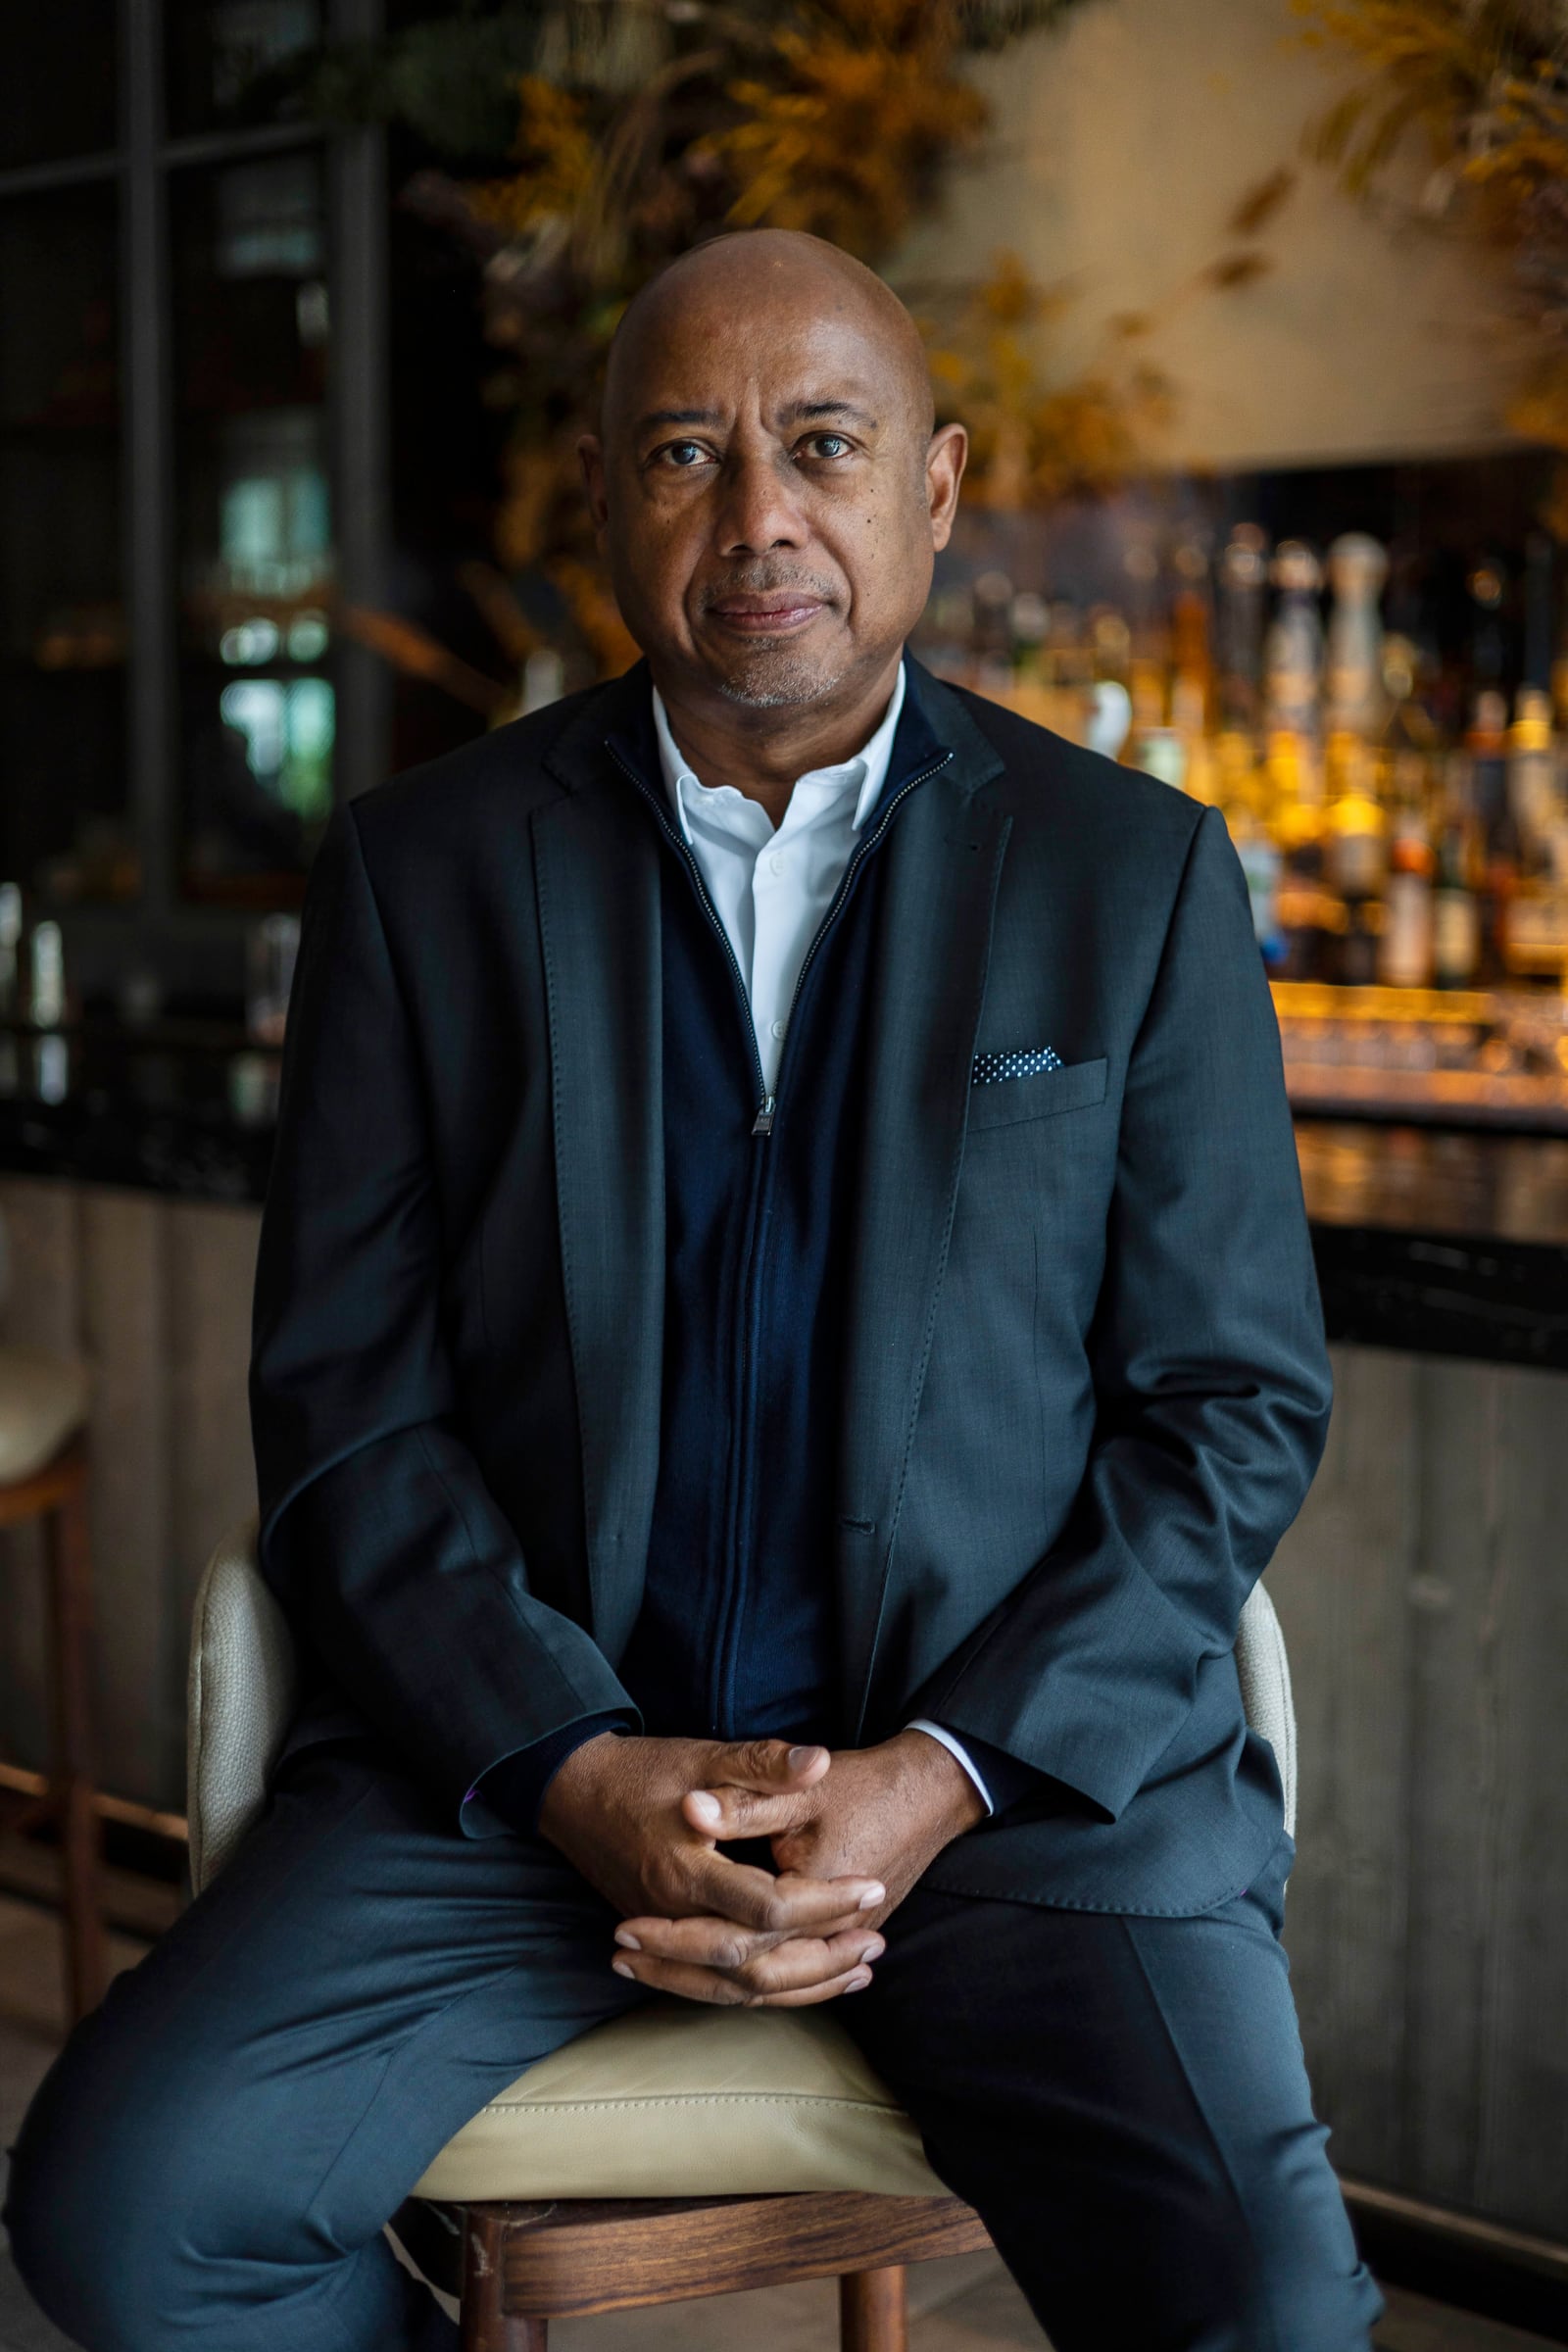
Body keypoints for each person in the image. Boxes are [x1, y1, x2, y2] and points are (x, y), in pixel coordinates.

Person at [6, 229, 1382, 2352]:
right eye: (685, 453)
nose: (762, 520)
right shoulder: (422, 872)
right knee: (124, 2213)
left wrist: (934, 1771)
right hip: (519, 1778)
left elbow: (1225, 1409)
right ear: (598, 498)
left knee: (1267, 2313)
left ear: (929, 488)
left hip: (1009, 1802)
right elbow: (351, 1408)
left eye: (821, 447)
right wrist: (575, 1767)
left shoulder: (1131, 876)